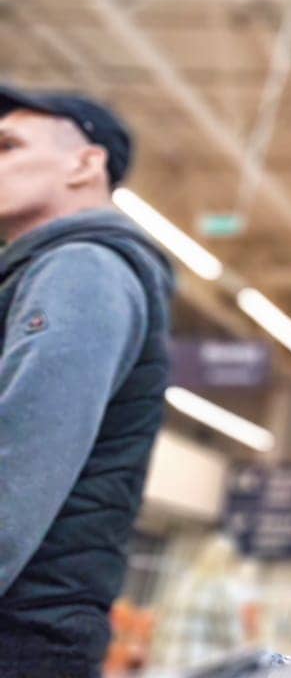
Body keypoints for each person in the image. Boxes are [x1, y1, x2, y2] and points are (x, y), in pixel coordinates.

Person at [0, 85, 176, 678]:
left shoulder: (81, 269)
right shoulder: (48, 272)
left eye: (8, 145)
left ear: (85, 163)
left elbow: (16, 463)